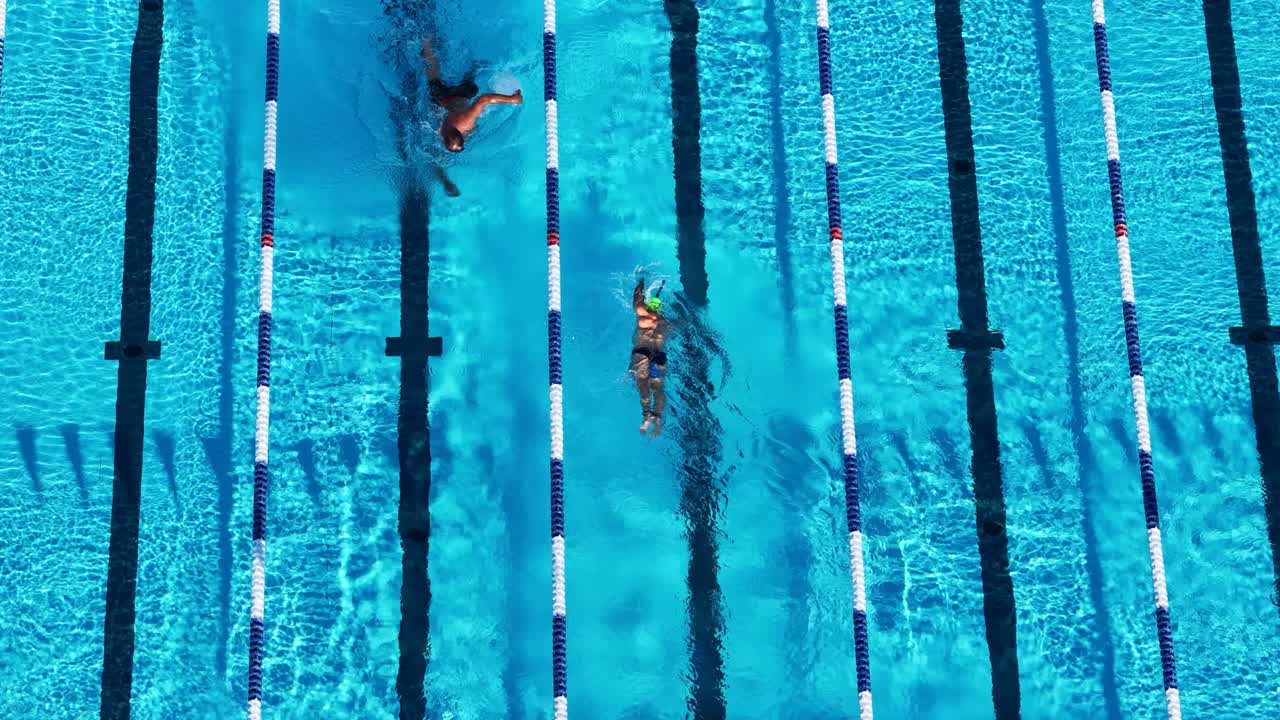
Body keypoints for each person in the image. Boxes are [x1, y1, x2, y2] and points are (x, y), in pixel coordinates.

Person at [422, 37, 522, 156]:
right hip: (449, 98)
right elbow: (484, 99)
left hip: (454, 97)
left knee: (468, 87)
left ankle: (473, 67)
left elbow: (484, 100)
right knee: (435, 81)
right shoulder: (449, 129)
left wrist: (512, 99)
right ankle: (427, 44)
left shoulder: (464, 123)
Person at [630, 277, 668, 436]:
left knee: (642, 384)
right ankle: (658, 417)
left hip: (642, 352)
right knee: (658, 388)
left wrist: (640, 282)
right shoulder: (665, 323)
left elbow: (636, 298)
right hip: (659, 354)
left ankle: (647, 415)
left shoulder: (642, 312)